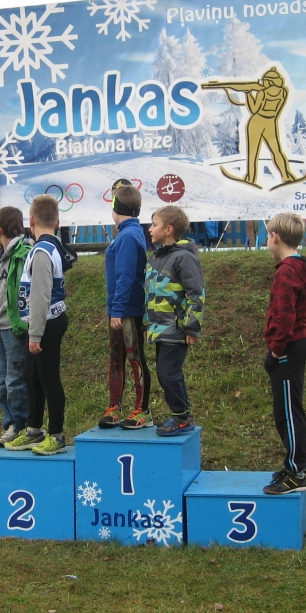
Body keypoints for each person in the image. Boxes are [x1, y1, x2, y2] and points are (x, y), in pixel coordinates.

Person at [4, 195, 77, 455]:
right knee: (31, 377)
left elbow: (41, 295)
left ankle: (57, 435)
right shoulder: (45, 247)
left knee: (49, 379)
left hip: (46, 323)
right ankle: (34, 429)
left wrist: (35, 334)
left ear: (31, 220)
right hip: (38, 324)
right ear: (58, 222)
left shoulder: (43, 251)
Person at [261, 212, 306, 495]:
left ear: (275, 237)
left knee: (286, 413)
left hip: (288, 347)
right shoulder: (300, 266)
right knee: (292, 407)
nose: (266, 240)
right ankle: (305, 464)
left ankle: (296, 473)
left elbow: (286, 316)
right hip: (297, 343)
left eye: (267, 235)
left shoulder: (286, 272)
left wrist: (276, 351)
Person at [145, 206, 205, 436]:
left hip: (176, 329)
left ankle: (182, 418)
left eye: (155, 225)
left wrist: (192, 327)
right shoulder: (155, 257)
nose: (150, 229)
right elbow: (148, 294)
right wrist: (147, 324)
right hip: (159, 328)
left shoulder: (184, 257)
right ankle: (181, 415)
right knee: (165, 373)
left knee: (168, 373)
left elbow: (196, 294)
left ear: (168, 229)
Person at [99, 184, 152, 430]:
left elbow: (126, 275)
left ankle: (143, 410)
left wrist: (118, 309)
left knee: (135, 359)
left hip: (128, 310)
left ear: (115, 207)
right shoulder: (128, 233)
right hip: (119, 308)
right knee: (116, 358)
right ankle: (114, 407)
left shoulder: (129, 236)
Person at [0, 206, 32, 447]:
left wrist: (24, 323)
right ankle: (9, 423)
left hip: (14, 329)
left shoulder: (25, 253)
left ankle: (21, 425)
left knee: (15, 381)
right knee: (0, 381)